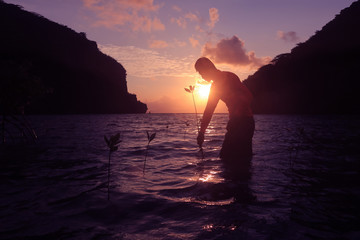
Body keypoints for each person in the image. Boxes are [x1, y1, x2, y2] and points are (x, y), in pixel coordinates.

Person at [195, 57, 255, 166]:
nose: (201, 76)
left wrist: (238, 109)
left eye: (201, 72)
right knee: (236, 161)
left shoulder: (230, 77)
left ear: (208, 68)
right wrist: (202, 132)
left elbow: (249, 96)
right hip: (237, 123)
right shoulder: (215, 87)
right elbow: (209, 110)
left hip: (244, 123)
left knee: (231, 159)